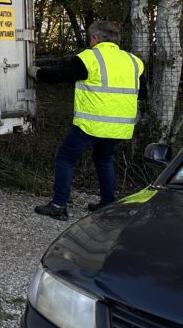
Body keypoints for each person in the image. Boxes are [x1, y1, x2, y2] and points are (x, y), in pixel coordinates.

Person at [29, 20, 144, 220]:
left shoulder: (89, 58)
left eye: (90, 37)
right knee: (104, 159)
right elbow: (141, 93)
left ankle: (58, 205)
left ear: (95, 38)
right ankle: (108, 203)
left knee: (65, 158)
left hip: (91, 124)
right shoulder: (134, 61)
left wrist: (36, 73)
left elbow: (59, 76)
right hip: (120, 127)